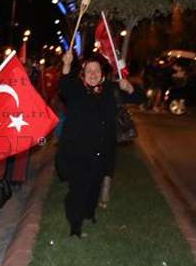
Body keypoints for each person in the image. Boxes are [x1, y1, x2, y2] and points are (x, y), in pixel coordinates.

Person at [56, 49, 142, 238]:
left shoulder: (111, 89)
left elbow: (139, 98)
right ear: (83, 74)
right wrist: (67, 65)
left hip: (102, 151)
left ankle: (89, 213)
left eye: (96, 70)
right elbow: (64, 86)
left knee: (94, 185)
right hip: (77, 151)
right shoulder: (76, 89)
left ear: (102, 74)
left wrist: (130, 88)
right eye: (89, 71)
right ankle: (75, 227)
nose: (93, 74)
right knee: (78, 188)